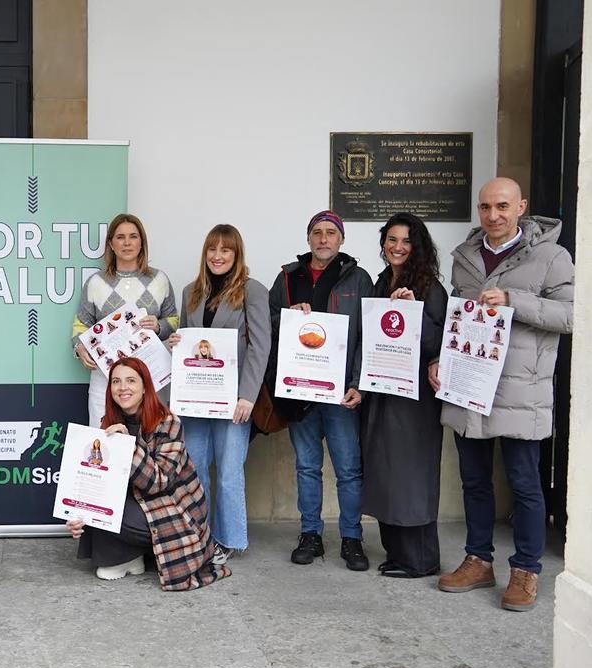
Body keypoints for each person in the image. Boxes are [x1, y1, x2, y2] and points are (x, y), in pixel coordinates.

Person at [433, 178, 574, 611]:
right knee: (474, 481)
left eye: (502, 206)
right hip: (469, 382)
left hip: (520, 389)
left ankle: (526, 569)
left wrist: (514, 299)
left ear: (521, 207)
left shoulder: (552, 256)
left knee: (525, 482)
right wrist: (441, 361)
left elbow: (570, 315)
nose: (493, 215)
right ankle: (478, 560)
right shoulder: (465, 257)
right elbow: (458, 318)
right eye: (485, 207)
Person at [268, 209, 374, 571]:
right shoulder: (287, 277)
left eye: (331, 232)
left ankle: (352, 538)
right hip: (300, 392)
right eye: (317, 232)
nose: (324, 238)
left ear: (341, 239)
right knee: (307, 467)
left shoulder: (358, 279)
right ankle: (310, 534)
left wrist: (359, 383)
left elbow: (367, 336)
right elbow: (266, 325)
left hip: (341, 393)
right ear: (308, 238)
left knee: (348, 469)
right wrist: (287, 316)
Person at [67, 357, 228, 591]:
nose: (123, 388)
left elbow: (159, 481)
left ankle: (128, 555)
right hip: (139, 504)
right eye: (116, 382)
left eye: (131, 381)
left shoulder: (168, 422)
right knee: (96, 503)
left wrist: (128, 446)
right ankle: (127, 557)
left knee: (104, 509)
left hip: (174, 513)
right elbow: (100, 479)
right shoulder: (110, 423)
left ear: (145, 388)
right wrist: (79, 512)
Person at [168, 224, 269, 562]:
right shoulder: (190, 291)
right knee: (194, 470)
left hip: (234, 400)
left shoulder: (252, 291)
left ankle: (228, 540)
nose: (218, 255)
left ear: (236, 254)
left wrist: (248, 396)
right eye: (212, 249)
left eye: (226, 250)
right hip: (195, 399)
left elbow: (260, 346)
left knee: (228, 474)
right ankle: (199, 536)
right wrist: (175, 343)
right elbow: (187, 340)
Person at [359, 213, 448, 579]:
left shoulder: (431, 288)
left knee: (411, 476)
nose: (397, 247)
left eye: (405, 241)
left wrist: (413, 311)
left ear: (418, 247)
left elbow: (437, 344)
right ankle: (396, 552)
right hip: (382, 392)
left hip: (414, 402)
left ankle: (421, 560)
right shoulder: (382, 282)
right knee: (385, 474)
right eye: (391, 240)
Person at [72, 214, 179, 426]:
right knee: (105, 442)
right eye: (120, 237)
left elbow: (174, 320)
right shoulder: (95, 283)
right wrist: (80, 349)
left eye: (133, 236)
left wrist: (159, 326)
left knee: (151, 442)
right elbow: (80, 326)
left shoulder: (160, 280)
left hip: (150, 377)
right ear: (111, 244)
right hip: (106, 379)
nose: (127, 242)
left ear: (142, 242)